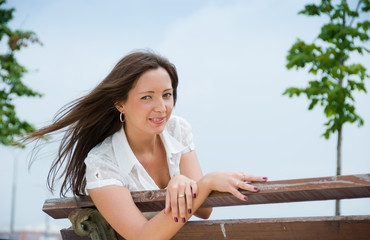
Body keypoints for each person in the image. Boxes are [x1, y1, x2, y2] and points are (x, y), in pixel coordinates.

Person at [25, 50, 267, 239]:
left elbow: (204, 211)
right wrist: (204, 183)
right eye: (146, 97)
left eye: (167, 94)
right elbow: (143, 236)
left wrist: (183, 182)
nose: (161, 107)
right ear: (120, 103)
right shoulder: (103, 164)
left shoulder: (177, 129)